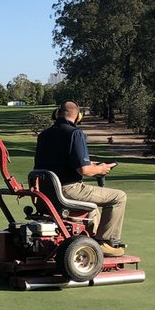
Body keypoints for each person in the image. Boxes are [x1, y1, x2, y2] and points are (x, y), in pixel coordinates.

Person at [34, 101, 127, 256]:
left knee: (93, 209)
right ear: (78, 116)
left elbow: (60, 161)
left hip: (45, 191)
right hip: (67, 189)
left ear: (58, 113)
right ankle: (105, 242)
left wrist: (94, 164)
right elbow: (84, 170)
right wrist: (101, 168)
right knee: (119, 197)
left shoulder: (44, 135)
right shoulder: (74, 133)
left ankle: (89, 242)